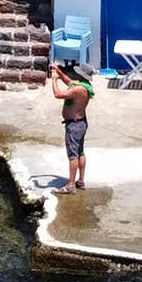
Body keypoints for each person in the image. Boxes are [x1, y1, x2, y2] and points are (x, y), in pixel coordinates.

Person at [51, 60, 92, 194]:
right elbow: (68, 80)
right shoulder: (84, 85)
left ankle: (71, 185)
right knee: (80, 152)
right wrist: (58, 71)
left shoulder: (79, 89)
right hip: (80, 123)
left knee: (73, 155)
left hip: (74, 125)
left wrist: (54, 80)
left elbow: (58, 94)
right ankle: (80, 180)